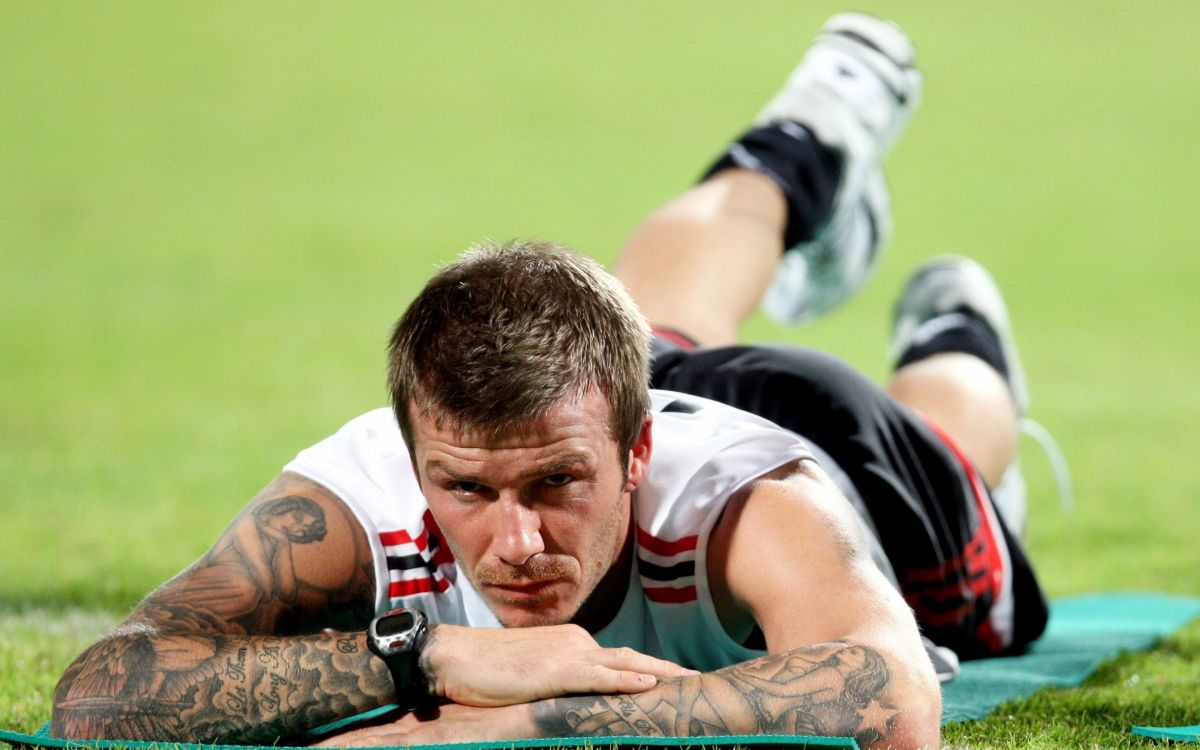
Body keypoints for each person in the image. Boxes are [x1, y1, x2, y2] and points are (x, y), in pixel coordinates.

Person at [51, 12, 1049, 750]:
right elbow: (99, 694)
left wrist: (506, 722)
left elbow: (892, 692)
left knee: (962, 468)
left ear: (633, 455)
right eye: (469, 491)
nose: (516, 544)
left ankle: (954, 324)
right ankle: (805, 137)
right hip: (606, 382)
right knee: (654, 321)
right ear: (416, 457)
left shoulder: (756, 511)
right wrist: (426, 658)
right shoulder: (368, 490)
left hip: (834, 444)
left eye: (554, 487)